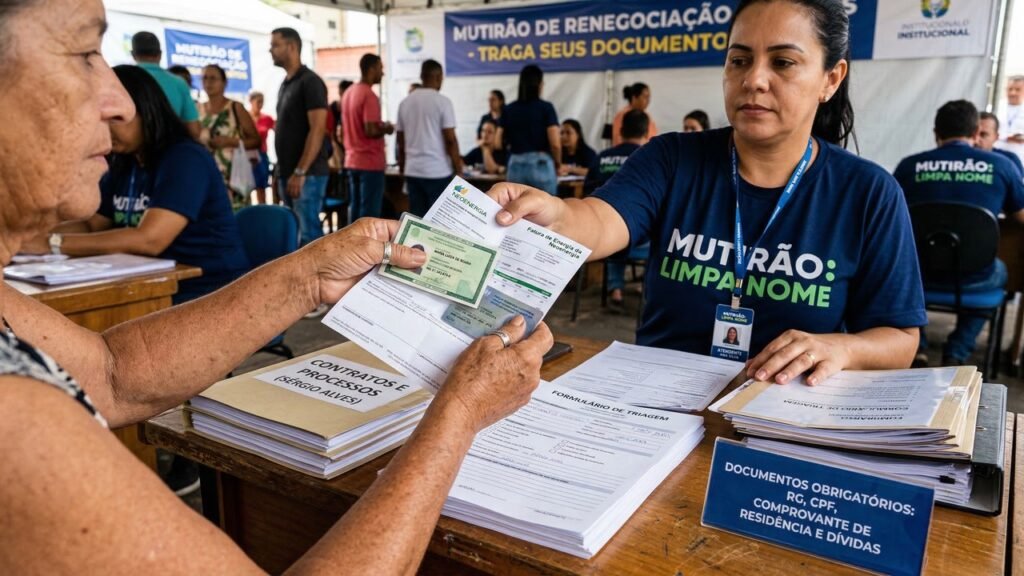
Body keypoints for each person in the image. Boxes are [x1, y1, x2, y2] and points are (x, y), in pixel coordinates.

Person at [0, 2, 553, 574]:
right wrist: (461, 411)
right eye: (85, 53)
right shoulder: (14, 417)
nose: (118, 102)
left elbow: (110, 373)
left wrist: (310, 274)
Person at [489, 0, 927, 386]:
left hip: (780, 412)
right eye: (739, 60)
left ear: (831, 79)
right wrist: (556, 215)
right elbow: (600, 219)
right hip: (655, 403)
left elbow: (900, 339)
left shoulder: (869, 193)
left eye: (783, 62)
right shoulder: (672, 159)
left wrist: (840, 349)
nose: (754, 79)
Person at [24, 64, 250, 304]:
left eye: (113, 120)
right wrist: (29, 236)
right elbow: (93, 225)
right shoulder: (125, 160)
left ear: (146, 111)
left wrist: (51, 244)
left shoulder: (185, 159)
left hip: (209, 292)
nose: (103, 131)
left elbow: (149, 240)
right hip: (149, 286)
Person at [894, 100, 1024, 366]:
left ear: (936, 133)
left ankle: (918, 346)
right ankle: (957, 350)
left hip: (918, 276)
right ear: (976, 132)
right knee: (1002, 270)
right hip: (975, 278)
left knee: (899, 267)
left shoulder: (909, 166)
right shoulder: (1002, 166)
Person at [583, 110, 651, 307]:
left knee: (613, 228)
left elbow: (587, 193)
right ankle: (648, 289)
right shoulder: (650, 159)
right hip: (642, 243)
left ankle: (616, 288)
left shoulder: (602, 157)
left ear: (620, 131)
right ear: (646, 132)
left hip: (597, 237)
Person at [271, 27, 330, 247]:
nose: (271, 50)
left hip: (307, 174)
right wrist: (280, 171)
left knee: (308, 236)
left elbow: (318, 129)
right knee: (293, 235)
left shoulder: (310, 81)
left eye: (275, 45)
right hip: (289, 172)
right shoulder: (286, 83)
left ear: (292, 47)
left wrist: (300, 171)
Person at [396, 59, 462, 217]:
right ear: (439, 77)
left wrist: (403, 167)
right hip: (437, 172)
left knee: (417, 219)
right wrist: (458, 168)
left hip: (413, 171)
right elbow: (450, 140)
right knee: (438, 221)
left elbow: (400, 141)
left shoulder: (405, 103)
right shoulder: (443, 102)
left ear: (421, 76)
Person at [199, 64, 260, 209]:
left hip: (234, 177)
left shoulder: (235, 107)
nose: (208, 83)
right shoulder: (197, 109)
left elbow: (256, 140)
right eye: (205, 78)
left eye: (213, 78)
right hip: (206, 175)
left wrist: (231, 142)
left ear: (224, 82)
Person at [343, 53, 394, 221]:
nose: (383, 73)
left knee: (355, 209)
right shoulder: (369, 95)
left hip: (352, 160)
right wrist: (387, 128)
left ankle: (352, 240)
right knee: (369, 216)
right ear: (371, 69)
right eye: (380, 68)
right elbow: (370, 130)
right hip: (370, 162)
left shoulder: (349, 92)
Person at [498, 64, 560, 194]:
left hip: (515, 165)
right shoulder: (546, 108)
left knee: (516, 205)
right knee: (547, 206)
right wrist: (558, 164)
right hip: (541, 164)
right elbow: (555, 144)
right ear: (539, 84)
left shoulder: (508, 109)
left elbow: (497, 142)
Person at [130, 31, 200, 139]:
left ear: (133, 55)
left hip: (132, 147)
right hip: (170, 146)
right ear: (160, 55)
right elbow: (194, 131)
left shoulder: (122, 79)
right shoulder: (179, 83)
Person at [977, 111, 1024, 178]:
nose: (976, 139)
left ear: (996, 137)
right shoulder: (961, 157)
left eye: (983, 135)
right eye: (972, 134)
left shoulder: (1011, 159)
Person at [249, 91, 275, 205]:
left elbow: (278, 130)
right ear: (251, 101)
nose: (260, 104)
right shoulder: (245, 118)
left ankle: (262, 209)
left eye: (262, 102)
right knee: (246, 187)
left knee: (261, 186)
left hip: (262, 154)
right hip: (248, 155)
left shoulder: (267, 118)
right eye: (258, 101)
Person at [996, 75, 1024, 164]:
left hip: (1020, 155)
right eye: (1010, 89)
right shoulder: (996, 107)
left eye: (1018, 90)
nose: (1013, 93)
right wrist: (1006, 138)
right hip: (998, 152)